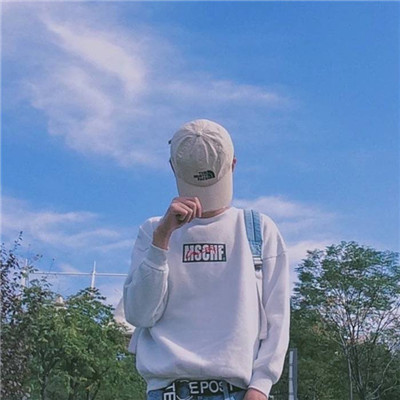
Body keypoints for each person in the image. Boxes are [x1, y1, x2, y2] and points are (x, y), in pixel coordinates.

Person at [123, 119, 290, 400]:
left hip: (237, 392)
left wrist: (261, 386)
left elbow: (278, 317)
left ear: (233, 165)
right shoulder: (153, 231)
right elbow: (139, 315)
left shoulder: (258, 230)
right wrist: (161, 240)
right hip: (167, 392)